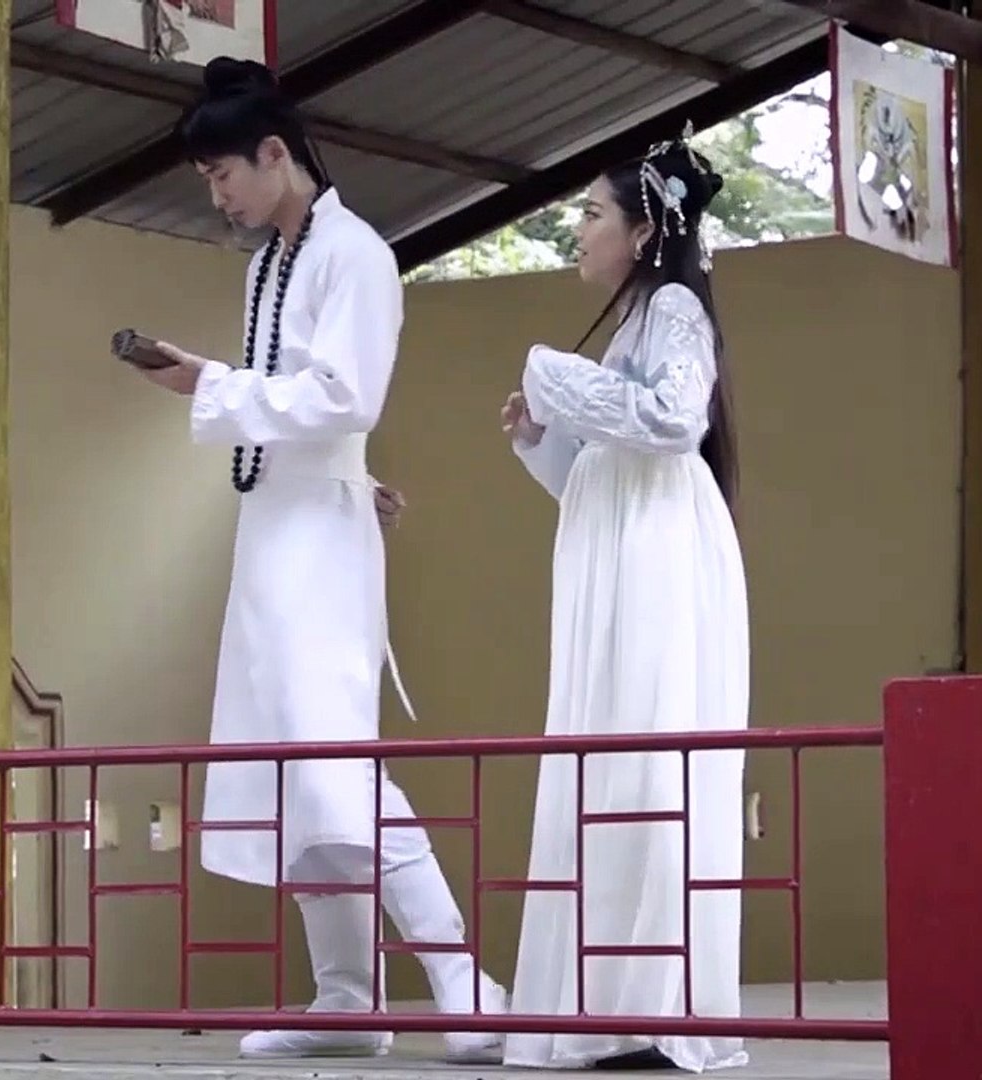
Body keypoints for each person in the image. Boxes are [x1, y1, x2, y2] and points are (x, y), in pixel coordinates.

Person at [132, 56, 505, 1064]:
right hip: (274, 531)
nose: (217, 196)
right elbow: (308, 412)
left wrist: (210, 384)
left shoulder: (356, 254)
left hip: (316, 544)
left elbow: (347, 395)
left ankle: (463, 980)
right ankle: (347, 995)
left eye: (222, 175)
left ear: (274, 154)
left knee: (334, 763)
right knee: (295, 767)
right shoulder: (271, 264)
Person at [499, 127, 751, 1072]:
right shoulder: (638, 320)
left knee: (646, 760)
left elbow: (674, 421)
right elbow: (605, 469)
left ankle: (653, 1002)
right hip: (622, 549)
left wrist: (550, 372)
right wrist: (542, 434)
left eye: (593, 212)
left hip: (657, 557)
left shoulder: (675, 307)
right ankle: (613, 1002)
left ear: (645, 231)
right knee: (612, 756)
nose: (579, 227)